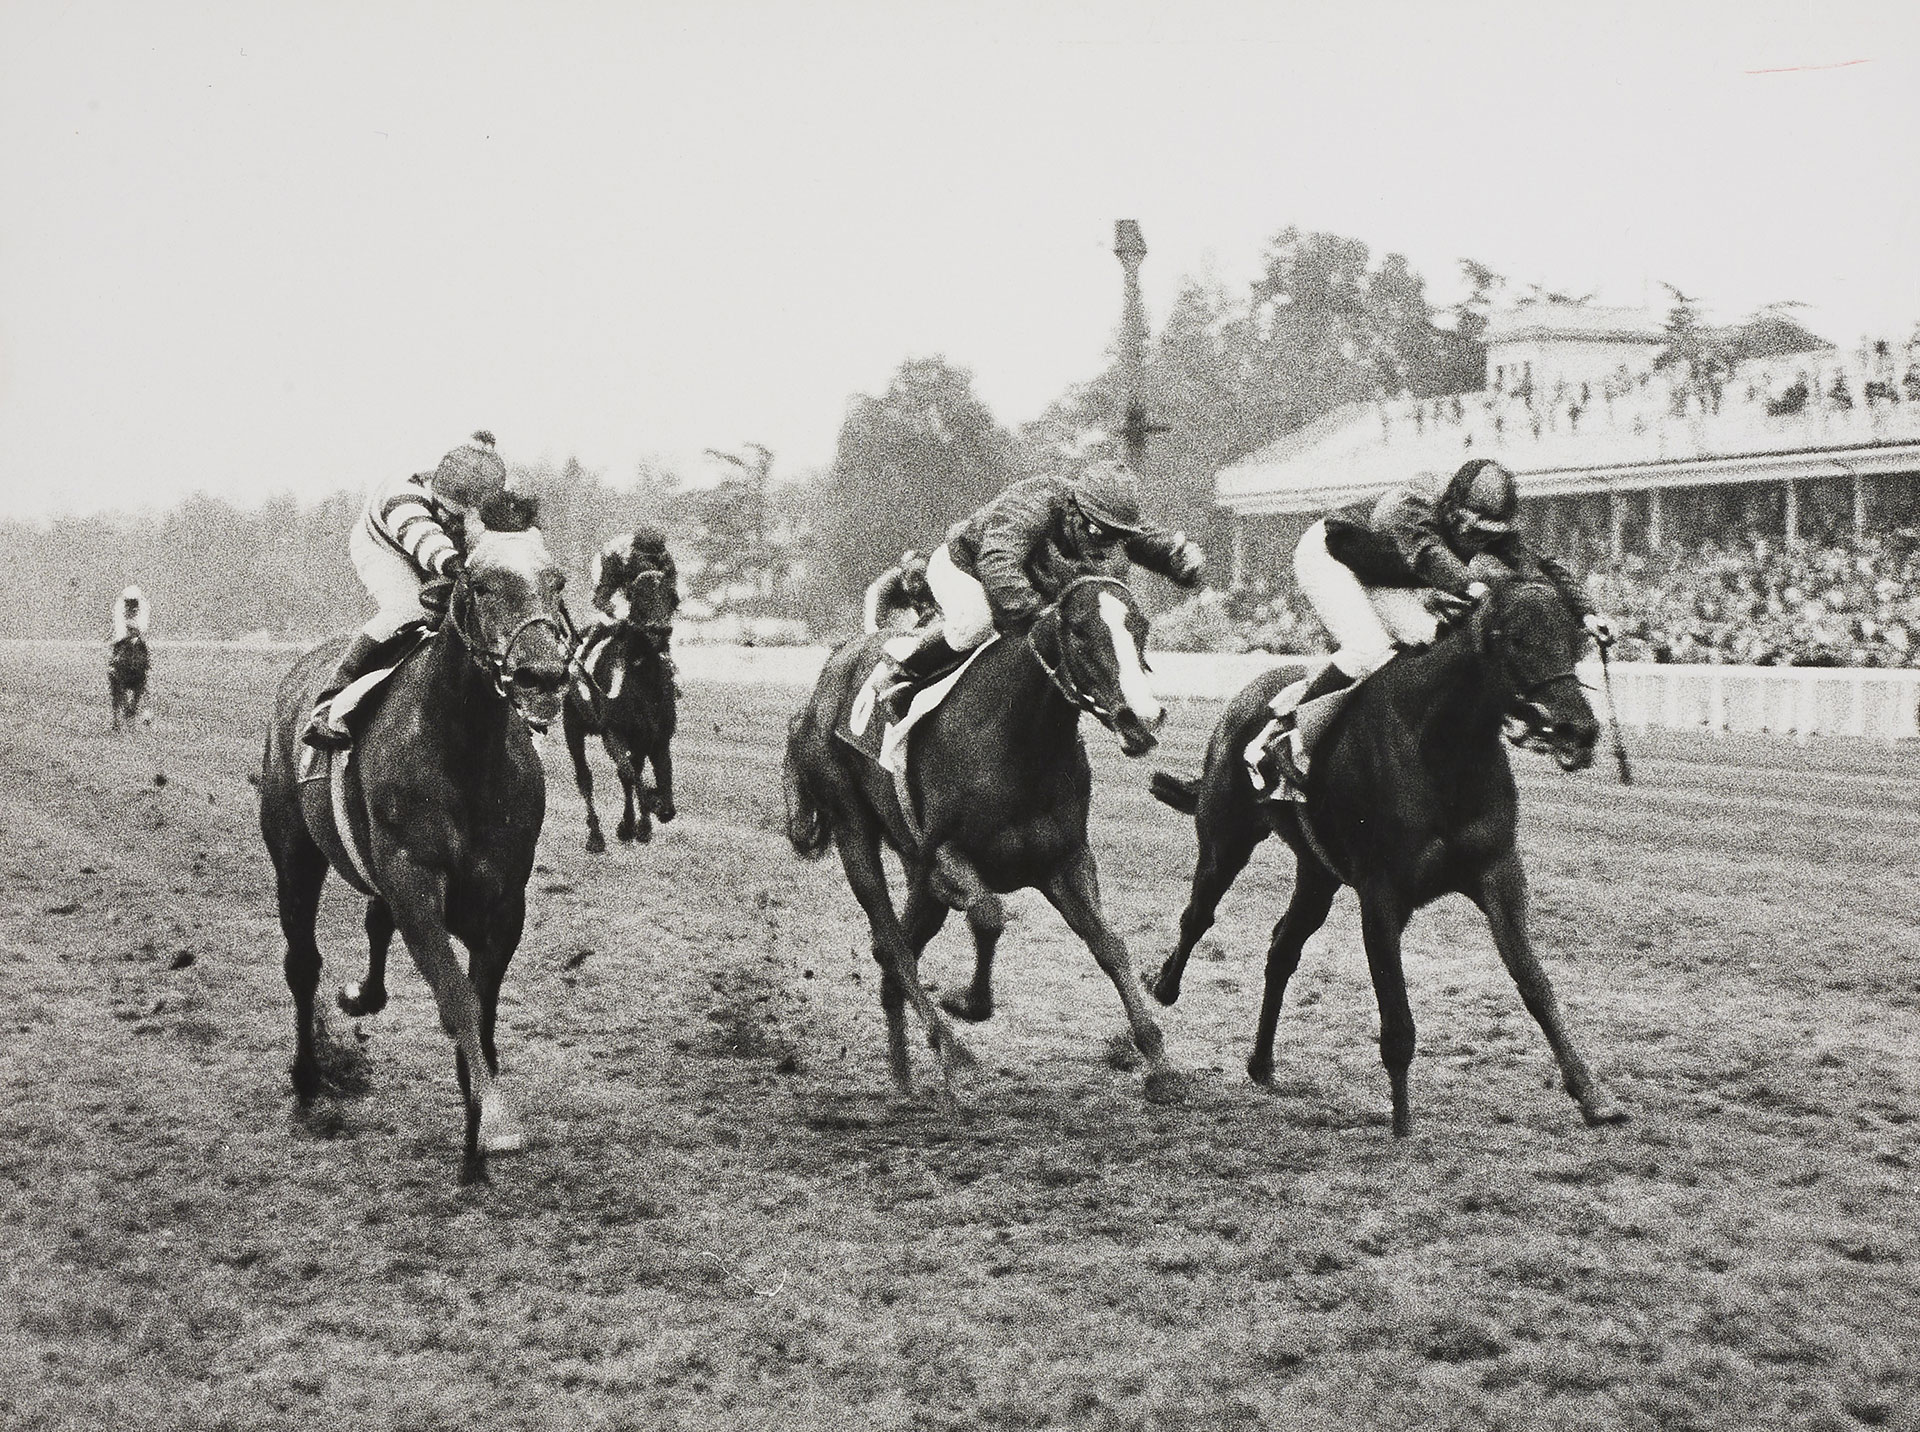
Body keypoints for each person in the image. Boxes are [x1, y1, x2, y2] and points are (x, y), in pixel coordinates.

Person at [1262, 458, 1610, 788]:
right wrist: (1471, 585)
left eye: (1493, 533)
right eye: (1477, 532)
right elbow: (1428, 554)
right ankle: (1289, 735)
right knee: (1368, 649)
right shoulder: (1410, 507)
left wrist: (1587, 613)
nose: (1483, 542)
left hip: (1392, 574)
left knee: (1445, 643)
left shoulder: (1482, 520)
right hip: (1332, 556)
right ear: (1453, 510)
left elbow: (1543, 565)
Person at [873, 461, 1204, 713]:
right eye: (1102, 533)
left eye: (1114, 534)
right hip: (965, 565)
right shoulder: (1034, 503)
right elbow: (997, 562)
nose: (1107, 544)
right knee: (974, 624)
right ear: (1077, 510)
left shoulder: (1099, 514)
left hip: (1021, 576)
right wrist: (1038, 612)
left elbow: (1139, 536)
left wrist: (1175, 558)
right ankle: (901, 673)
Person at [301, 431, 507, 750]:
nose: (456, 526)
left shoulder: (482, 500)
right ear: (437, 495)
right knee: (411, 609)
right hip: (385, 546)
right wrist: (457, 566)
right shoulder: (405, 496)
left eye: (466, 520)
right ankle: (329, 702)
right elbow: (426, 542)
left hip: (440, 553)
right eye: (451, 516)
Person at [591, 525, 681, 631]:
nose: (649, 564)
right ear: (635, 551)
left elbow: (670, 591)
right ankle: (591, 642)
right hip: (612, 566)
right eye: (646, 558)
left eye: (654, 558)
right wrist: (610, 609)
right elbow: (602, 594)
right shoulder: (618, 558)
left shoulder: (665, 560)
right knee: (612, 620)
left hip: (634, 579)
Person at [862, 548, 936, 634]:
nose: (917, 584)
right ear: (904, 573)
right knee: (873, 629)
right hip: (882, 599)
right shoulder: (886, 584)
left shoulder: (927, 583)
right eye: (914, 576)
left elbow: (935, 611)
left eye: (921, 577)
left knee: (923, 627)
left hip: (907, 604)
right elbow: (878, 619)